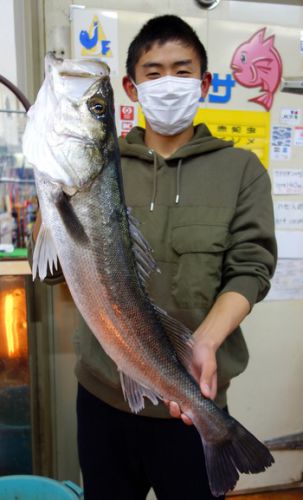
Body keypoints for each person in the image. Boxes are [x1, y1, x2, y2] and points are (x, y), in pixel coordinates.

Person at [29, 14, 277, 500]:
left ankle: (219, 434)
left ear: (204, 82)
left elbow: (252, 267)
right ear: (132, 86)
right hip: (102, 398)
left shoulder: (241, 169)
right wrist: (51, 197)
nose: (169, 83)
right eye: (155, 71)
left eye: (183, 71)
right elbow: (54, 274)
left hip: (193, 398)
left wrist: (201, 342)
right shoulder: (103, 160)